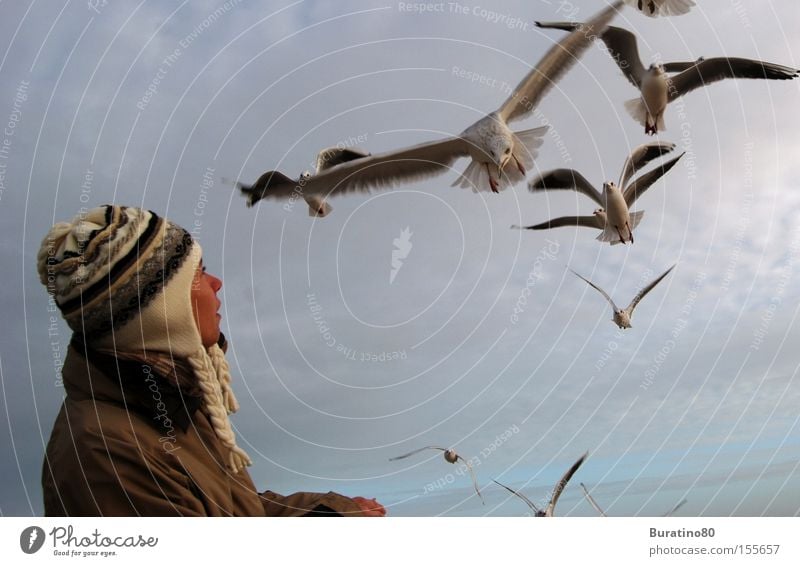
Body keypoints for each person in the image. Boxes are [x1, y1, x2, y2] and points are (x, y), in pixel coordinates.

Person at [37, 204, 385, 517]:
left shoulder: (170, 399)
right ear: (157, 309)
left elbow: (233, 513)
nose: (215, 283)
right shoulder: (106, 452)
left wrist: (333, 515)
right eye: (198, 273)